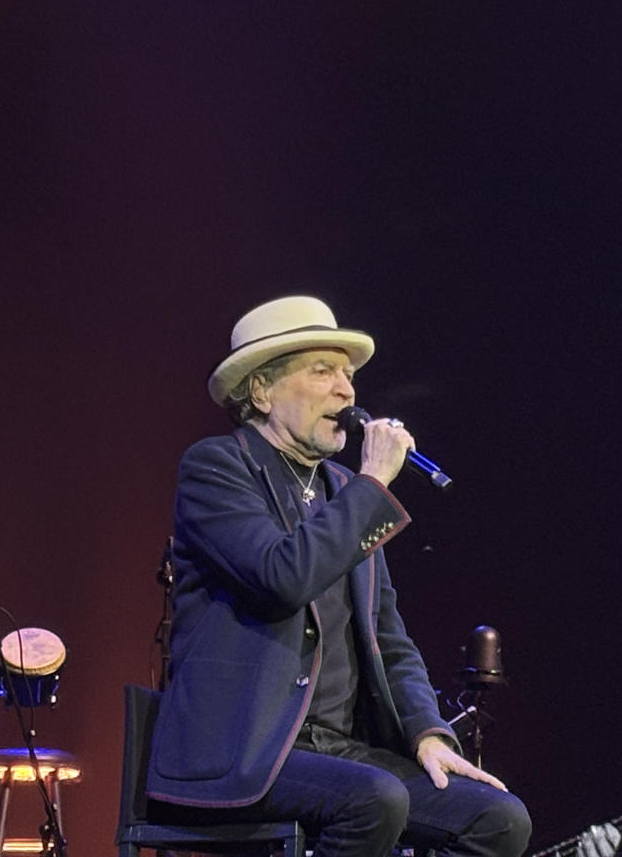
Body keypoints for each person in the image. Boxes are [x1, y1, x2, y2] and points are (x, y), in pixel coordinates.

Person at [146, 295, 531, 857]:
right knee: (374, 800)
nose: (347, 391)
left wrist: (428, 732)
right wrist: (373, 481)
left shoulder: (344, 489)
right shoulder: (216, 467)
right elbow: (283, 576)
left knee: (500, 820)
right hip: (243, 748)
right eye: (323, 371)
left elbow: (390, 637)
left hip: (340, 750)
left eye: (348, 375)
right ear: (261, 391)